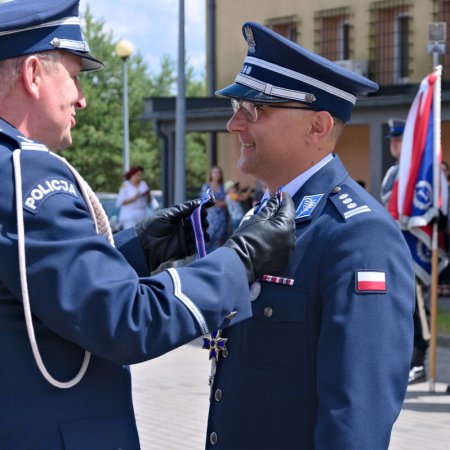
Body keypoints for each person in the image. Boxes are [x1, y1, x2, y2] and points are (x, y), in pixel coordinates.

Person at [0, 4, 296, 449]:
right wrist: (239, 260)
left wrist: (139, 249)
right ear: (33, 73)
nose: (81, 98)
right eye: (74, 77)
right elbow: (123, 321)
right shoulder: (28, 174)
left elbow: (38, 283)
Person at [204, 22, 415, 450]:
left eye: (253, 111)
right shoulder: (264, 216)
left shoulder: (358, 235)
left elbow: (355, 420)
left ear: (317, 126)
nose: (233, 124)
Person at [201, 166, 228, 251]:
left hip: (221, 219)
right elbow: (205, 201)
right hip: (209, 219)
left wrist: (217, 202)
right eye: (215, 172)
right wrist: (219, 202)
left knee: (218, 243)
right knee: (206, 242)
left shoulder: (224, 187)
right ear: (211, 175)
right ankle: (201, 262)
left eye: (219, 172)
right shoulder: (206, 187)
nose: (217, 174)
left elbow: (228, 201)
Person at [116, 165, 151, 230]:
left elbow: (149, 201)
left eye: (141, 175)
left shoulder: (143, 184)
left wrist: (148, 193)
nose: (139, 177)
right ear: (132, 175)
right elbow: (122, 202)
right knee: (131, 235)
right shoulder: (125, 185)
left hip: (142, 216)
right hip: (129, 216)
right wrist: (135, 197)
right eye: (138, 175)